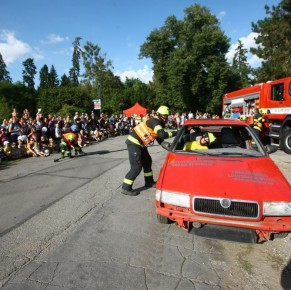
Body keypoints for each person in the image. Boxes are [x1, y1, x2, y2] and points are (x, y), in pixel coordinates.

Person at [121, 106, 177, 196]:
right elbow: (162, 134)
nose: (165, 118)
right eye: (164, 116)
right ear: (158, 115)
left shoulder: (159, 123)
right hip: (134, 143)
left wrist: (166, 145)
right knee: (136, 167)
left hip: (141, 144)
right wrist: (176, 132)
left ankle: (149, 182)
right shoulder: (155, 121)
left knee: (147, 162)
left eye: (166, 116)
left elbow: (158, 138)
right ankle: (126, 188)